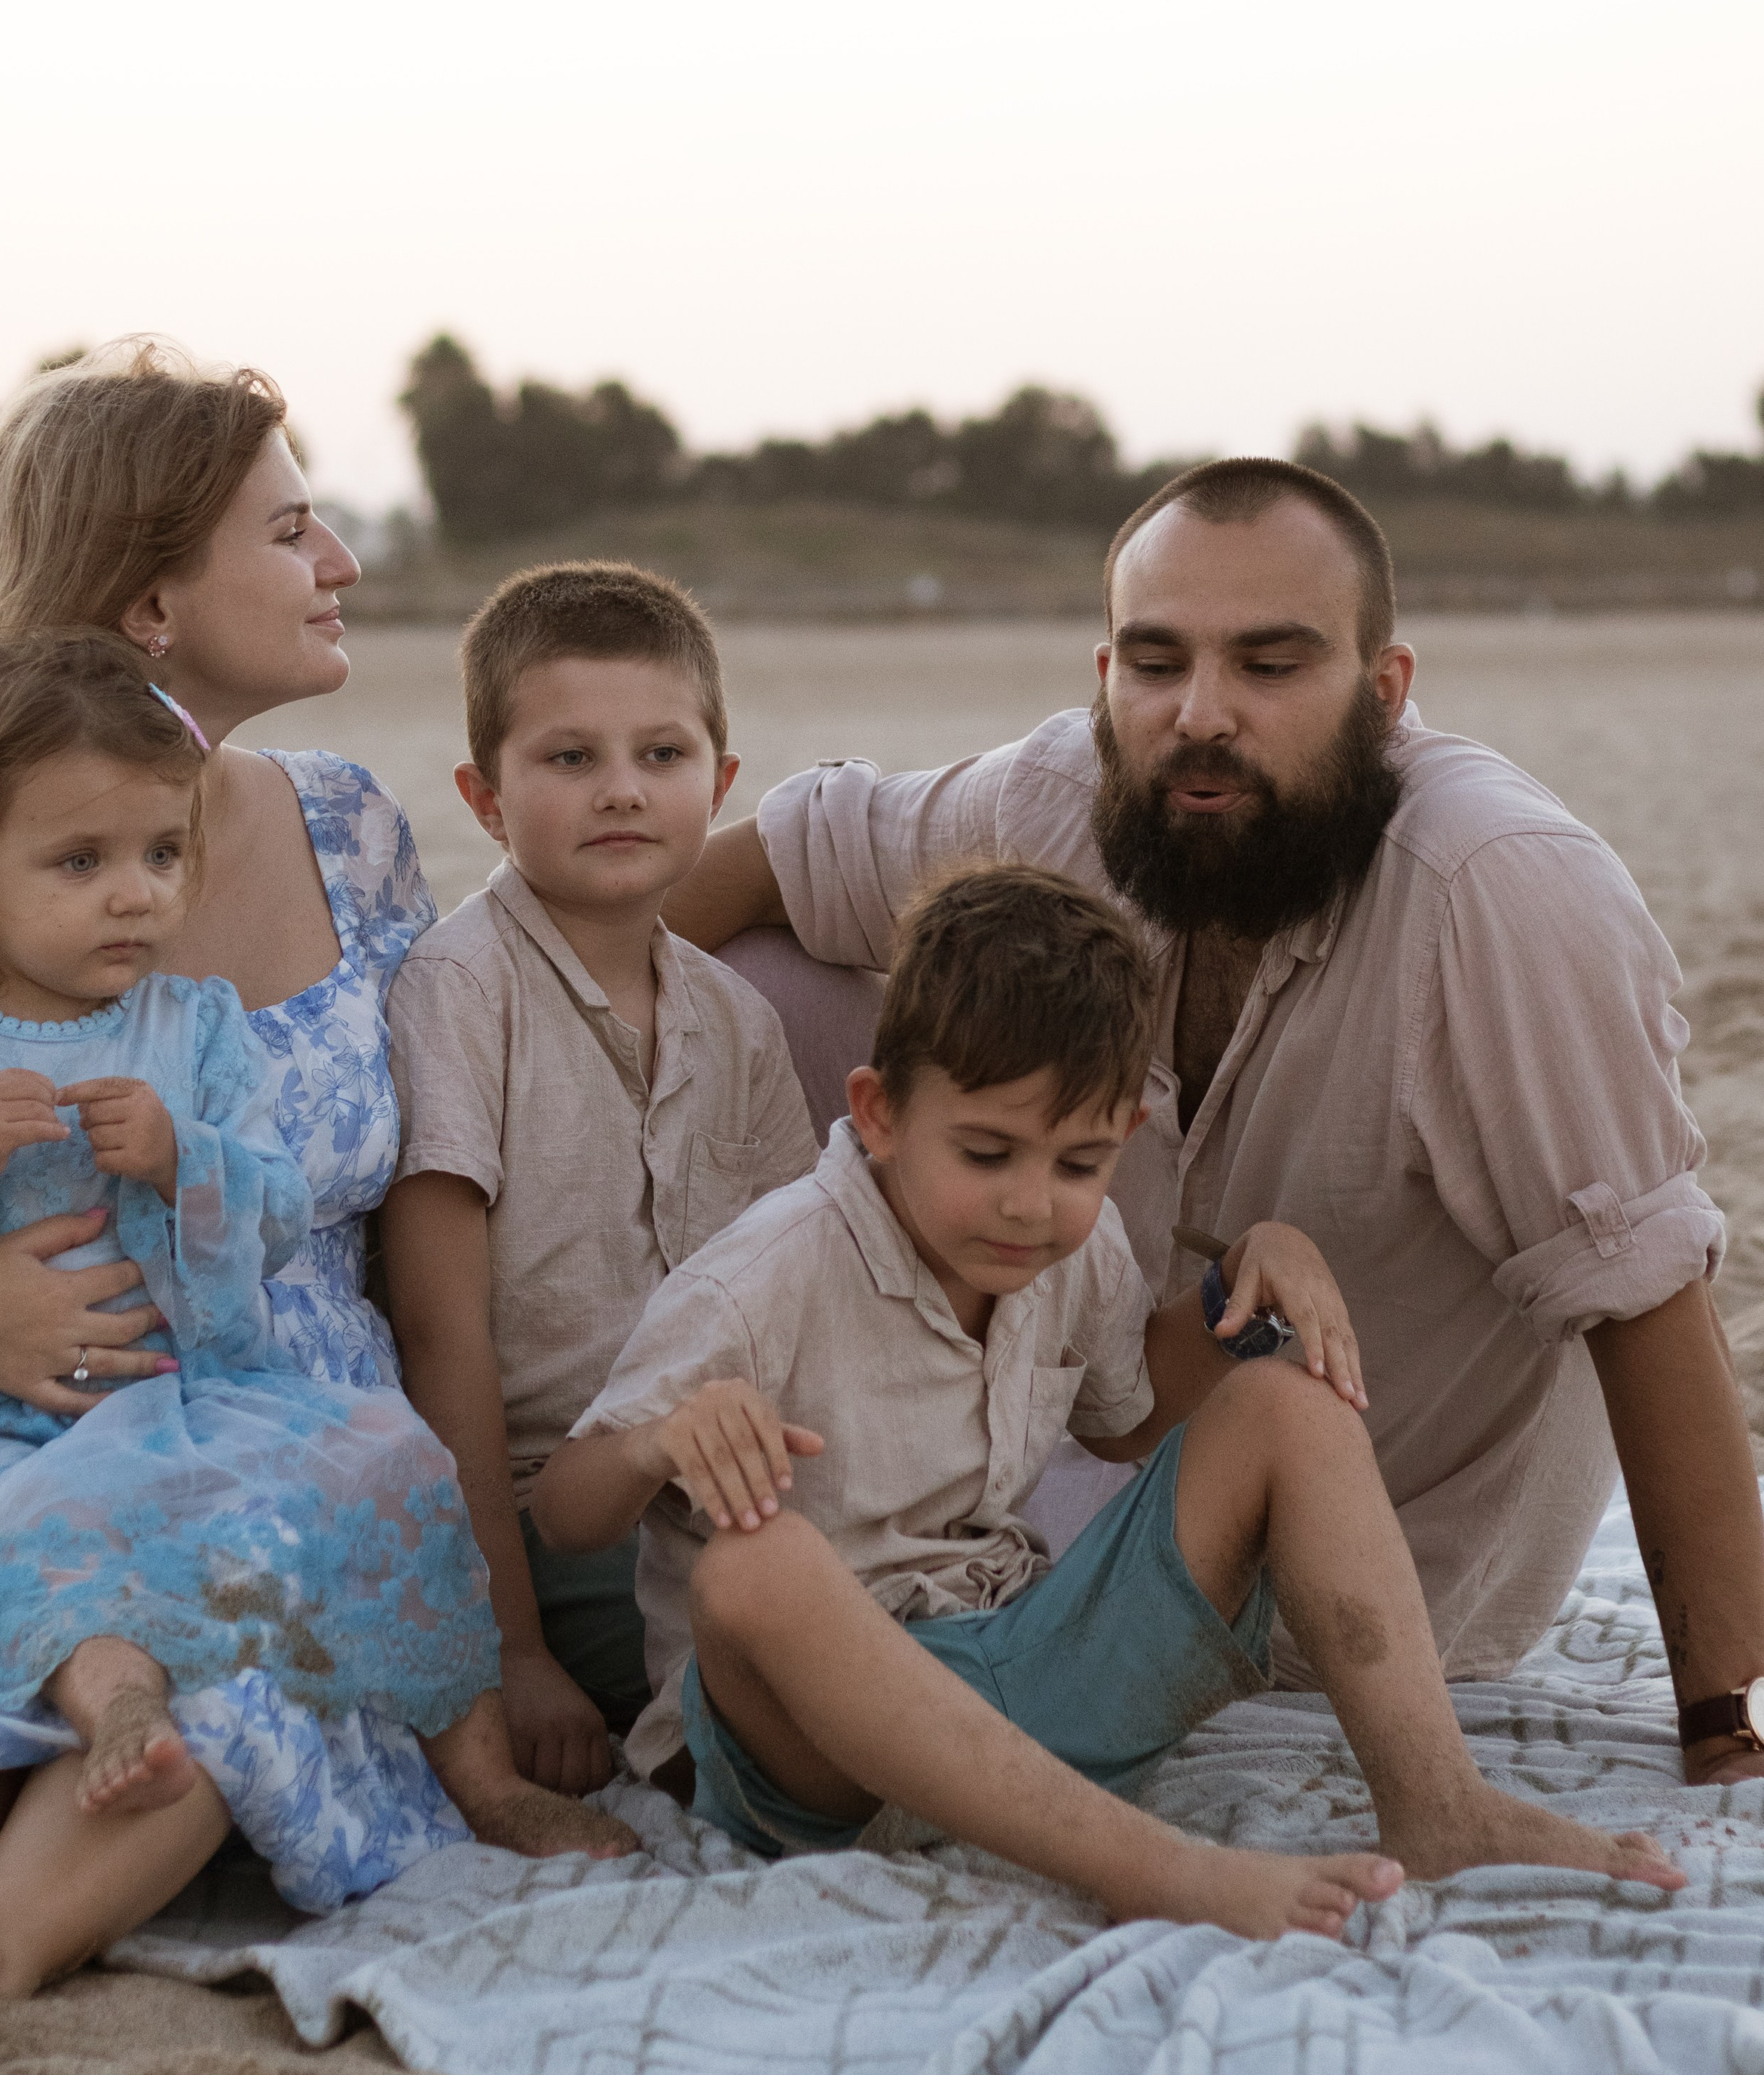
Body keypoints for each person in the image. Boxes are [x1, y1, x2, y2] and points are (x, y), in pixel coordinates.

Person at [664, 459, 1764, 1785]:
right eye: (1157, 662)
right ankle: (711, 1432)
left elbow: (1650, 1301)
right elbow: (791, 855)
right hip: (1087, 1439)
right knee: (765, 989)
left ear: (1385, 689)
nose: (1201, 716)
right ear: (1107, 672)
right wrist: (535, 1008)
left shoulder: (1498, 891)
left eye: (1271, 666)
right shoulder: (1071, 790)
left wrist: (1723, 1719)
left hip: (1368, 1561)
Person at [0, 344, 630, 2064]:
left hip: (286, 1478)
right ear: (148, 601)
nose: (339, 561)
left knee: (213, 1695)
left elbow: (435, 1286)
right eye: (288, 530)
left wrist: (504, 1654)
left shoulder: (351, 833)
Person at [534, 865, 1685, 1935]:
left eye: (1077, 1165)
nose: (1030, 1205)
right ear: (879, 1112)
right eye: (985, 1153)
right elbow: (567, 1513)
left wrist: (1254, 1273)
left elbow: (1131, 1416)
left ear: (1121, 1137)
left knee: (1288, 1403)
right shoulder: (766, 1274)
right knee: (752, 1565)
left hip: (1012, 1670)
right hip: (809, 1760)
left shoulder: (1069, 1256)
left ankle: (1442, 1806)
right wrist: (657, 1447)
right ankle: (1165, 1873)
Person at [381, 564, 817, 1797]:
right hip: (547, 1526)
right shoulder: (461, 993)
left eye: (663, 755)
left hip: (726, 1479)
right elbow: (438, 1328)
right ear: (483, 795)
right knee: (813, 1662)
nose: (623, 789)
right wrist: (507, 1649)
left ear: (722, 784)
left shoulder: (735, 1021)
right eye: (569, 759)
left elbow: (801, 1280)